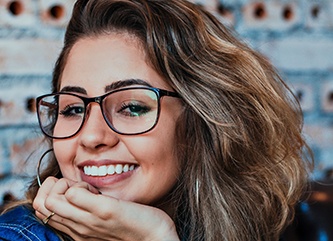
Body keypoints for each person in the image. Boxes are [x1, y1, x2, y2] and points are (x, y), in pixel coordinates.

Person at [0, 0, 312, 240]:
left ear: (199, 121)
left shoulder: (249, 226)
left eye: (132, 107)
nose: (92, 136)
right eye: (73, 109)